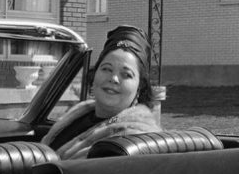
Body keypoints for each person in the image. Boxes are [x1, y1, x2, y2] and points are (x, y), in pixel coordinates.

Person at [42, 24, 161, 160]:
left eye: (126, 74)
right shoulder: (79, 114)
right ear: (94, 75)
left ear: (140, 88)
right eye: (106, 69)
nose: (113, 78)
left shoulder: (132, 138)